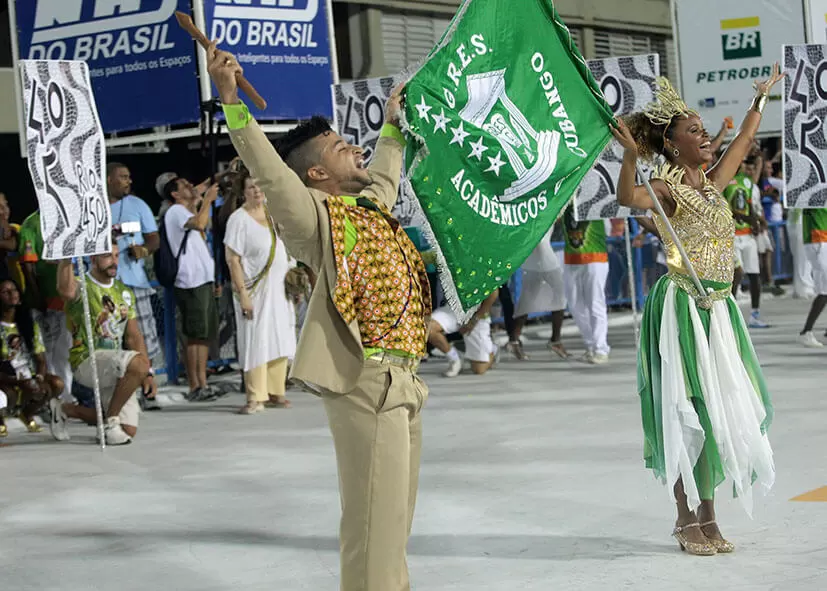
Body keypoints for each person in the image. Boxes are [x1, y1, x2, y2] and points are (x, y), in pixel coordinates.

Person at [208, 44, 430, 591]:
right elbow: (270, 169)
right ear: (316, 172)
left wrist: (395, 121)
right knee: (373, 528)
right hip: (366, 380)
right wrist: (233, 102)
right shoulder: (312, 216)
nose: (352, 146)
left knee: (393, 528)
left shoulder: (372, 204)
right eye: (337, 146)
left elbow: (387, 164)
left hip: (405, 379)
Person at [612, 68, 782, 555]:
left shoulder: (712, 183)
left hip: (719, 309)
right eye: (693, 130)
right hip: (683, 306)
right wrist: (629, 156)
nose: (704, 134)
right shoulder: (666, 189)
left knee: (724, 406)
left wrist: (760, 98)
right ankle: (685, 516)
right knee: (687, 411)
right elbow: (628, 197)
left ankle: (709, 514)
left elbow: (746, 140)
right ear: (671, 144)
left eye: (703, 129)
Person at [56, 244, 155, 445]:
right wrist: (66, 256)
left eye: (117, 256)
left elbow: (134, 337)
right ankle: (110, 423)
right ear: (92, 259)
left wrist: (149, 373)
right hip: (86, 360)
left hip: (115, 364)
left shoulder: (123, 291)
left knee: (128, 429)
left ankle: (64, 409)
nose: (114, 261)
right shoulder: (82, 284)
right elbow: (65, 291)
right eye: (107, 256)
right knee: (137, 364)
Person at [222, 167, 297, 414]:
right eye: (251, 187)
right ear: (243, 192)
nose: (257, 191)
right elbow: (233, 259)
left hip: (279, 288)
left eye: (259, 185)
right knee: (255, 340)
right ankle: (255, 396)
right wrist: (242, 293)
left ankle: (276, 391)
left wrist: (294, 279)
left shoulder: (274, 214)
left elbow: (288, 248)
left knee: (280, 337)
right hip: (255, 289)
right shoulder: (238, 220)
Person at [107, 162, 162, 406]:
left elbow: (153, 238)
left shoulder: (138, 205)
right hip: (105, 285)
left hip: (134, 283)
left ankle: (148, 389)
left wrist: (144, 250)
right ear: (108, 179)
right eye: (122, 177)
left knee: (143, 337)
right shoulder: (94, 207)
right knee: (110, 338)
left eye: (129, 177)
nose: (128, 181)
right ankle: (117, 393)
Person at [161, 177, 219, 401]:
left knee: (203, 334)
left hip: (201, 279)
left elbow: (200, 187)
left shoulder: (184, 209)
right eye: (184, 186)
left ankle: (202, 382)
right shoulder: (176, 211)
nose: (190, 188)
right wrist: (207, 201)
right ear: (174, 194)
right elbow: (200, 223)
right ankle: (196, 385)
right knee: (195, 334)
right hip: (190, 280)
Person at [18, 211, 73, 402]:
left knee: (66, 351)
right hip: (45, 299)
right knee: (47, 352)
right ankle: (49, 398)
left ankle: (66, 395)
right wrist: (36, 295)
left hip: (68, 298)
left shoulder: (70, 217)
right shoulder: (31, 223)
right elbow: (28, 265)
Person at [0, 279, 66, 439]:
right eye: (5, 291)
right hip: (5, 376)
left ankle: (26, 414)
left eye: (14, 290)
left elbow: (41, 358)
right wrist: (17, 380)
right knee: (10, 394)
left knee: (56, 384)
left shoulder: (28, 323)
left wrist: (40, 377)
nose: (12, 294)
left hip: (27, 372)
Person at [724, 159, 771, 328]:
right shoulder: (723, 181)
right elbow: (725, 209)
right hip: (732, 235)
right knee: (736, 275)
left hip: (748, 236)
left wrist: (755, 221)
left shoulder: (747, 182)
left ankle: (755, 314)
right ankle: (730, 315)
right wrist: (744, 217)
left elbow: (749, 205)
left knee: (754, 274)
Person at [510, 227, 569, 360]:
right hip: (541, 250)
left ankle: (514, 340)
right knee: (560, 294)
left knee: (528, 298)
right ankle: (555, 340)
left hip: (534, 251)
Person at [562, 206, 610, 364]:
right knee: (575, 306)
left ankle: (601, 348)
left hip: (595, 259)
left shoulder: (596, 203)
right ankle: (591, 345)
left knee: (595, 303)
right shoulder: (562, 200)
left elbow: (609, 228)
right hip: (571, 260)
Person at [428, 291, 499, 377]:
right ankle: (454, 358)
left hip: (477, 314)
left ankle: (491, 348)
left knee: (479, 369)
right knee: (428, 327)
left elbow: (493, 293)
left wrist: (474, 320)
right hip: (453, 309)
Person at [798, 207, 827, 348]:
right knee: (824, 292)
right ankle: (806, 332)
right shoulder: (815, 193)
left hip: (821, 240)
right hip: (818, 240)